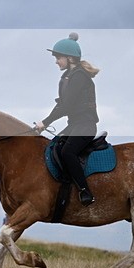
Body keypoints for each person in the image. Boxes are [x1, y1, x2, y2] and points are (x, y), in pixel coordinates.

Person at [34, 32, 99, 207]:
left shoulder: (78, 76)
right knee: (54, 147)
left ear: (70, 58)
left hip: (85, 125)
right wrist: (43, 122)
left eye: (58, 57)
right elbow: (61, 104)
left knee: (67, 153)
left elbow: (66, 106)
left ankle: (85, 192)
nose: (56, 61)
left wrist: (45, 122)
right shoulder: (67, 77)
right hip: (74, 125)